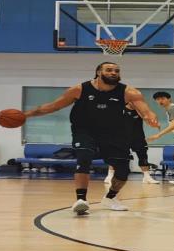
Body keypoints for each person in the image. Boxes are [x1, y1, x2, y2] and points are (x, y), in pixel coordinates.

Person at [24, 62, 158, 215]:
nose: (114, 73)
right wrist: (25, 115)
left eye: (116, 70)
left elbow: (146, 111)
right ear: (98, 72)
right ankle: (81, 200)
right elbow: (53, 106)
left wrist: (150, 117)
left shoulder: (129, 92)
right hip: (84, 131)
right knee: (84, 157)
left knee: (123, 170)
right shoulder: (80, 89)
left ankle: (110, 198)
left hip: (113, 133)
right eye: (109, 70)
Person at [104, 103, 160, 185]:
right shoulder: (120, 108)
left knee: (143, 156)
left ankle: (147, 177)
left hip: (138, 137)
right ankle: (109, 176)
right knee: (116, 157)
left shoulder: (140, 110)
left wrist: (155, 123)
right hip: (122, 137)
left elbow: (148, 120)